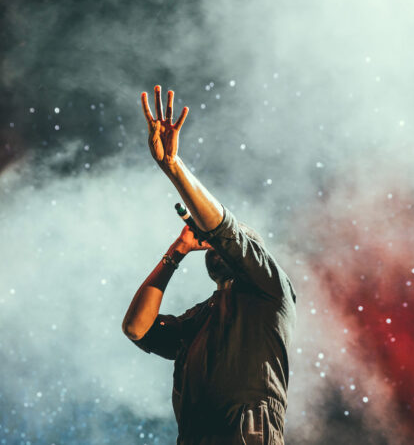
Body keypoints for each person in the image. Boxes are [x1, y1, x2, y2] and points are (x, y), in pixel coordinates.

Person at [122, 85, 297, 445]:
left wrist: (173, 167)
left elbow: (224, 230)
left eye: (225, 243)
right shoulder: (200, 317)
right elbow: (137, 329)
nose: (214, 243)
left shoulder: (270, 287)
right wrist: (176, 252)